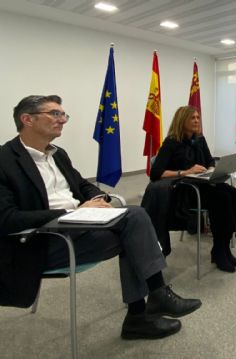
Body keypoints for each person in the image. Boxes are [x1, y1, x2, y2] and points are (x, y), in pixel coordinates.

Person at [0, 95, 202, 340]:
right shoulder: (5, 160)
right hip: (42, 240)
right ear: (27, 119)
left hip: (82, 224)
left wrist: (99, 199)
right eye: (55, 114)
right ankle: (148, 304)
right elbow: (8, 219)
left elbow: (83, 185)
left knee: (135, 227)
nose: (62, 120)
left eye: (64, 115)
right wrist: (72, 212)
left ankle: (144, 311)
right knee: (135, 225)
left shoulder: (57, 154)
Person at [150, 106, 236, 273]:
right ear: (182, 121)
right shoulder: (171, 142)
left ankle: (224, 246)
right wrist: (185, 172)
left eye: (198, 117)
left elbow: (210, 161)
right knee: (222, 199)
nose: (197, 121)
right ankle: (218, 250)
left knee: (235, 195)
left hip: (203, 182)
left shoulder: (200, 139)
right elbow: (156, 173)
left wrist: (211, 170)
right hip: (184, 188)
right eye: (192, 118)